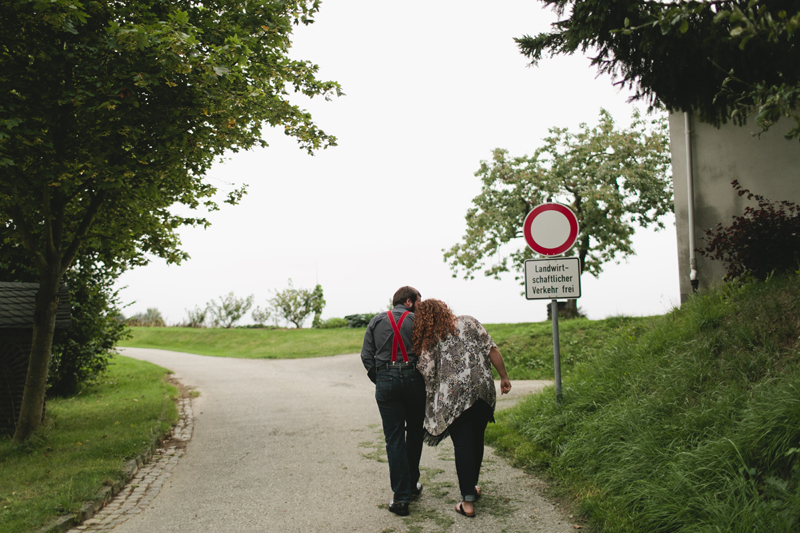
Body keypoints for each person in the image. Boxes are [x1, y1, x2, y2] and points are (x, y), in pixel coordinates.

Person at [412, 299, 511, 518]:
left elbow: (426, 370)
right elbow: (491, 349)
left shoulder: (431, 337)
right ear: (445, 310)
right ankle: (472, 487)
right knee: (477, 439)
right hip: (482, 389)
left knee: (464, 444)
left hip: (455, 397)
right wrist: (503, 377)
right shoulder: (469, 322)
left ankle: (467, 503)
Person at [360, 286, 425, 516]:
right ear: (408, 301)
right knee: (415, 432)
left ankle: (401, 498)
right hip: (414, 378)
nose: (421, 306)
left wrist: (381, 378)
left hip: (386, 379)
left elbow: (366, 355)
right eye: (419, 301)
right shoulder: (418, 321)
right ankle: (412, 484)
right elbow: (429, 353)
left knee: (394, 438)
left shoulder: (376, 321)